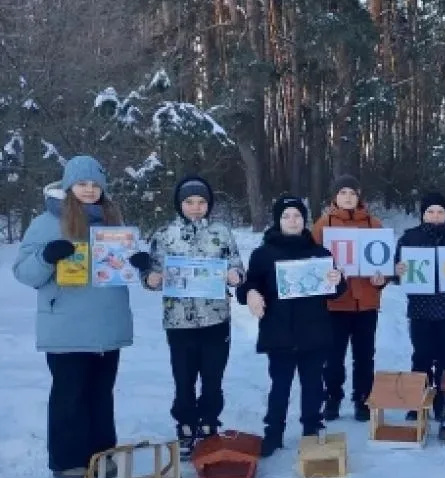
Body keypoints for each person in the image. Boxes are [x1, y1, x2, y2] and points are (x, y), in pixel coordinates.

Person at [13, 155, 136, 478]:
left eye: (95, 185)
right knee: (70, 394)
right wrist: (46, 256)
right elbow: (24, 272)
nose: (89, 190)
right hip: (66, 325)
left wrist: (137, 261)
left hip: (107, 326)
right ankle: (68, 460)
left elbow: (120, 271)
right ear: (69, 186)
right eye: (82, 184)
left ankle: (101, 454)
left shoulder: (112, 223)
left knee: (101, 392)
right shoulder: (45, 223)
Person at [142, 175, 245, 457]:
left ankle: (209, 421)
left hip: (215, 318)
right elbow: (151, 274)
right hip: (179, 321)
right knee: (183, 377)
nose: (196, 207)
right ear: (179, 203)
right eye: (189, 202)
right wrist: (151, 278)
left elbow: (237, 266)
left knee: (213, 377)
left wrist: (235, 276)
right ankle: (186, 424)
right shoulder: (164, 234)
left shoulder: (222, 232)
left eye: (202, 202)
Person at [236, 195, 346, 457]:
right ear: (278, 221)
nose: (292, 220)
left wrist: (338, 280)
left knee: (313, 385)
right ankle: (274, 433)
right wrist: (250, 293)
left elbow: (334, 291)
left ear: (304, 220)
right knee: (280, 385)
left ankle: (311, 430)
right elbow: (248, 287)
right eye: (286, 216)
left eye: (297, 215)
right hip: (279, 332)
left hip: (314, 331)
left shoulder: (319, 253)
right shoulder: (263, 255)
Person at [392, 192, 445, 422]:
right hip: (420, 309)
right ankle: (416, 401)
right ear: (423, 214)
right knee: (421, 356)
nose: (435, 216)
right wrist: (397, 271)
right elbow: (396, 267)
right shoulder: (410, 238)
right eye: (430, 211)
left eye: (440, 211)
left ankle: (443, 401)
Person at [311, 175, 387, 423]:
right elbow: (311, 262)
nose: (347, 197)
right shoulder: (324, 224)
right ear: (335, 196)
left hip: (366, 302)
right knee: (333, 357)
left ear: (359, 196)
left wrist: (382, 279)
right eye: (342, 192)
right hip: (335, 304)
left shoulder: (374, 224)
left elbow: (383, 263)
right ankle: (332, 398)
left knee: (365, 355)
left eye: (352, 193)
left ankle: (363, 399)